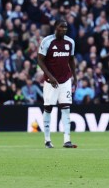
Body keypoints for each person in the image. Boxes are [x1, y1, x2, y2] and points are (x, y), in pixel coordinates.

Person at [37, 18, 77, 148]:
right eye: (61, 27)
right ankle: (47, 140)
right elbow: (40, 60)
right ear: (56, 27)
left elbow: (71, 60)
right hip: (51, 81)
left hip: (65, 80)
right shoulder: (47, 41)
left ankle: (67, 140)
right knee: (48, 108)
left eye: (65, 27)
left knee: (66, 109)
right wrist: (49, 76)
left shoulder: (70, 42)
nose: (64, 29)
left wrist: (74, 77)